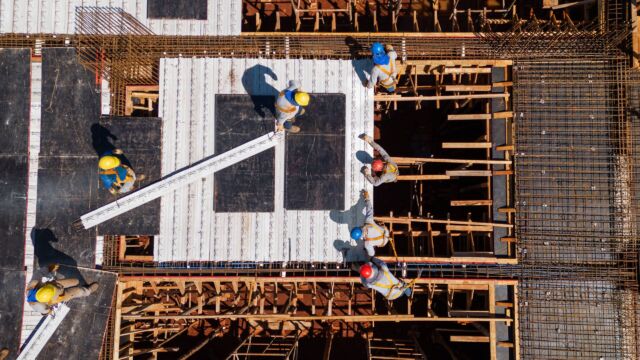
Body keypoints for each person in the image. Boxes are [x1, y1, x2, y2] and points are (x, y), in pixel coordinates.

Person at [25, 266, 99, 315]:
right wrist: (50, 310)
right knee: (75, 292)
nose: (60, 288)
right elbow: (45, 312)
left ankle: (70, 284)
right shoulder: (41, 306)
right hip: (58, 297)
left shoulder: (34, 284)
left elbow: (40, 272)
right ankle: (88, 290)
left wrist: (51, 267)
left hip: (53, 285)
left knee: (75, 281)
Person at [350, 190, 390, 258]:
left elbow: (372, 254)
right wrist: (367, 198)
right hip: (386, 231)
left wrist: (368, 248)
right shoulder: (368, 221)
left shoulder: (367, 243)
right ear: (359, 227)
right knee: (375, 223)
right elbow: (370, 209)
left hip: (384, 242)